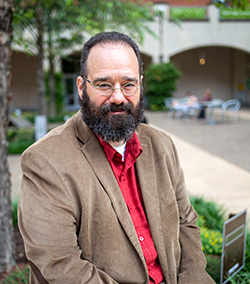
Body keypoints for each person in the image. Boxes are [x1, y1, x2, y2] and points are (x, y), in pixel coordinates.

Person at [18, 31, 215, 284]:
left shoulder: (162, 145)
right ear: (81, 87)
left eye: (129, 84)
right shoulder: (44, 161)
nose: (119, 97)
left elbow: (186, 223)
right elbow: (60, 265)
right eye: (104, 84)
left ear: (140, 84)